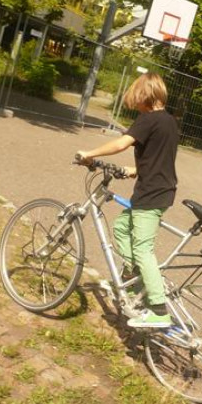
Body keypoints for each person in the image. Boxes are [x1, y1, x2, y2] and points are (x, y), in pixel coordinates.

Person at [76, 72, 178, 328]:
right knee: (122, 227)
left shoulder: (148, 119)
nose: (136, 105)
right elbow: (159, 156)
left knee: (143, 249)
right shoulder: (169, 121)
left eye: (137, 99)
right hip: (158, 189)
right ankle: (133, 278)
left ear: (145, 95)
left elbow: (122, 144)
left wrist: (90, 154)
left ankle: (158, 310)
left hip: (151, 194)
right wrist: (135, 170)